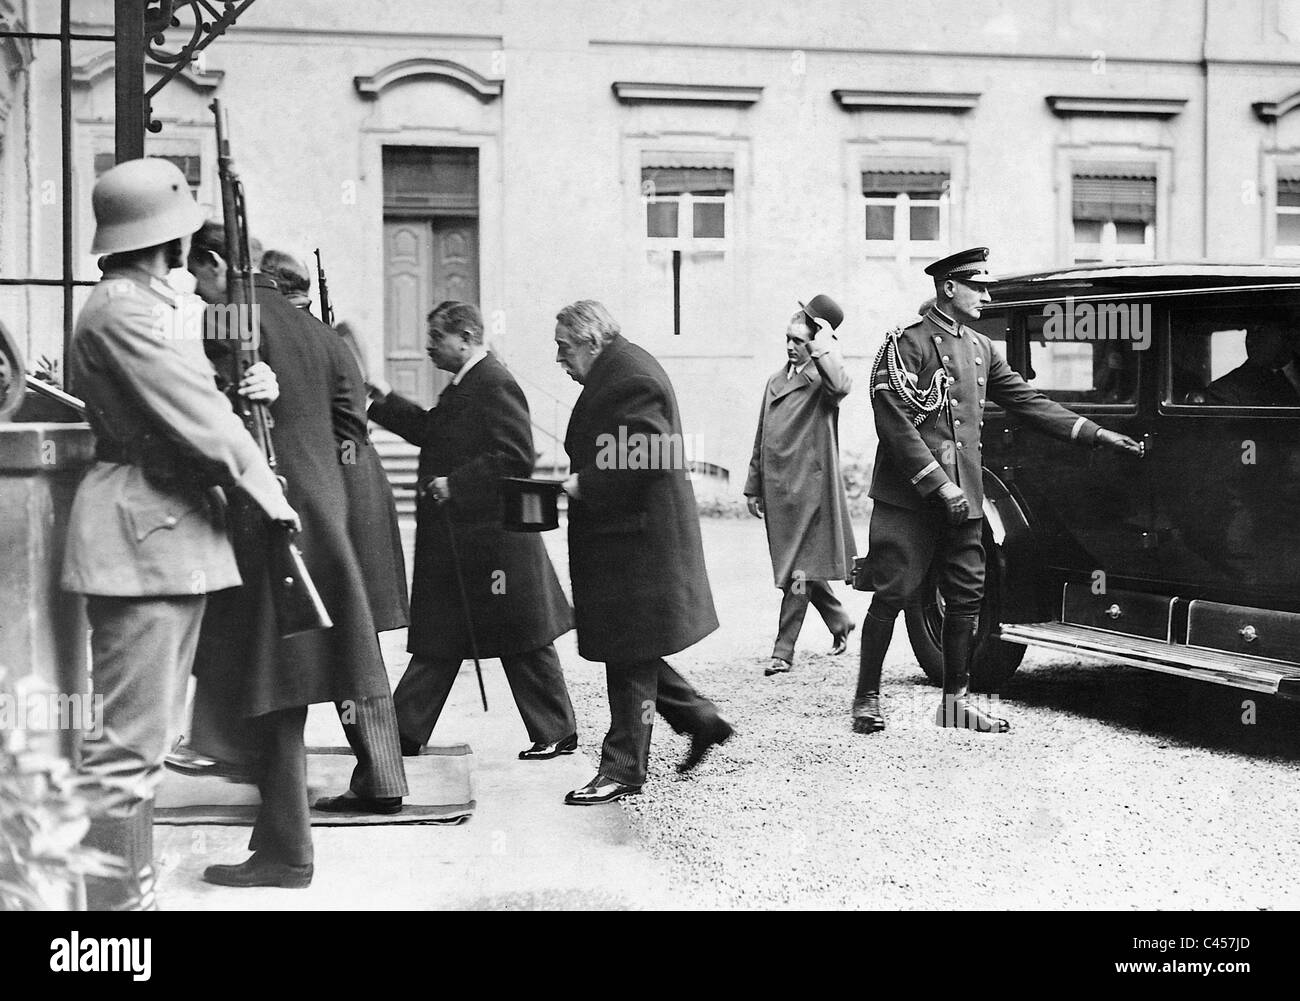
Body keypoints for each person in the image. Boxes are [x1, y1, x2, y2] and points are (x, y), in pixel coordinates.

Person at [61, 158, 299, 909]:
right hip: (145, 539)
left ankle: (126, 902)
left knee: (144, 745)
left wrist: (237, 379)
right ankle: (111, 922)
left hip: (164, 537)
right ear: (171, 239)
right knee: (126, 752)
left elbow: (191, 395)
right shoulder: (127, 309)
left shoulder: (142, 302)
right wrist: (268, 491)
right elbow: (193, 411)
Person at [183, 221, 401, 887]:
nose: (196, 290)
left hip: (268, 520)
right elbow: (351, 432)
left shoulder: (228, 316)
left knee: (270, 684)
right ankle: (280, 838)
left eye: (198, 275)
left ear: (217, 264)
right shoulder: (324, 335)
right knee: (284, 683)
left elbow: (218, 417)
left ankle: (287, 852)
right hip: (321, 519)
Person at [853, 247, 1142, 735]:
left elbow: (1028, 401)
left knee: (968, 593)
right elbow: (895, 424)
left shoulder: (981, 349)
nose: (987, 296)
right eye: (978, 286)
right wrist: (936, 484)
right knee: (894, 590)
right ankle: (867, 697)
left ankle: (957, 702)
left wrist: (1094, 432)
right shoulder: (908, 344)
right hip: (911, 499)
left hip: (963, 493)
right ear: (949, 288)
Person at [367, 301, 579, 761]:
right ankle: (404, 733)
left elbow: (517, 457)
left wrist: (455, 484)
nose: (427, 350)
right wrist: (379, 401)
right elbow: (430, 430)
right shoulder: (469, 383)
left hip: (490, 540)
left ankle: (556, 732)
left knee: (519, 638)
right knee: (450, 638)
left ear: (464, 337)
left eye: (435, 340)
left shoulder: (493, 382)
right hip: (470, 541)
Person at [555, 300, 732, 805]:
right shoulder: (618, 368)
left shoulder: (629, 375)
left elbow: (648, 451)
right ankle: (702, 719)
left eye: (565, 349)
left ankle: (624, 768)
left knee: (628, 652)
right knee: (631, 647)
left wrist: (584, 484)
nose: (561, 360)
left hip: (636, 543)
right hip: (628, 538)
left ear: (591, 342)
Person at [744, 294, 857, 676]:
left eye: (800, 340)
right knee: (799, 569)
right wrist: (752, 484)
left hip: (811, 491)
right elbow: (763, 434)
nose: (792, 347)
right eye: (789, 339)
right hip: (779, 492)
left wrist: (822, 344)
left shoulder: (823, 381)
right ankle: (839, 619)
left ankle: (783, 649)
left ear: (815, 342)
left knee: (795, 572)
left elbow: (841, 384)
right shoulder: (775, 381)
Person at [1202, 319, 1300, 406]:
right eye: (1248, 331)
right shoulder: (1224, 391)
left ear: (1286, 334)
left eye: (1260, 330)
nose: (1249, 340)